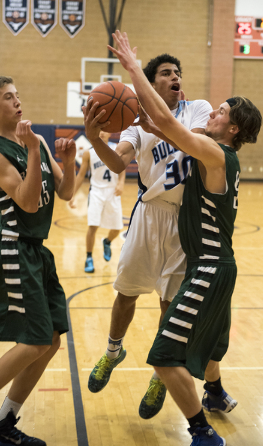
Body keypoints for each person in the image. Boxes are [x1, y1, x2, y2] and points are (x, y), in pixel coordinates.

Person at [103, 31, 262, 446]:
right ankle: (213, 394)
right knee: (212, 344)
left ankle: (202, 432)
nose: (212, 111)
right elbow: (170, 131)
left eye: (221, 111)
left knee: (165, 354)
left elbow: (175, 127)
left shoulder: (214, 153)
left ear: (233, 127)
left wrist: (134, 69)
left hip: (208, 265)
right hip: (215, 262)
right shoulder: (215, 151)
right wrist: (149, 123)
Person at [84, 53, 213, 418]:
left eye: (178, 72)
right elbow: (117, 161)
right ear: (153, 83)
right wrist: (95, 140)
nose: (175, 77)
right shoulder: (135, 124)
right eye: (167, 73)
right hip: (147, 214)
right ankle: (112, 352)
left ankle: (162, 371)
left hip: (183, 218)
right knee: (126, 294)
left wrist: (157, 123)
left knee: (168, 303)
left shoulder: (198, 109)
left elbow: (191, 144)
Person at [0, 76, 76, 446]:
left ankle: (3, 424)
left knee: (50, 340)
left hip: (37, 251)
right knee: (35, 340)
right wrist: (35, 151)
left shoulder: (34, 141)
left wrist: (68, 162)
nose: (17, 101)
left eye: (18, 95)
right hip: (13, 249)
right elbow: (27, 202)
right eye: (9, 97)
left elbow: (66, 191)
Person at [69, 131, 125, 273]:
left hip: (113, 192)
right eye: (98, 129)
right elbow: (81, 175)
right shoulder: (88, 153)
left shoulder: (116, 148)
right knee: (93, 226)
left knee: (117, 228)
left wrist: (121, 182)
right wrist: (72, 195)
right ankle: (89, 257)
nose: (101, 133)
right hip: (96, 192)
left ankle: (107, 242)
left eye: (104, 130)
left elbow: (122, 166)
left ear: (109, 133)